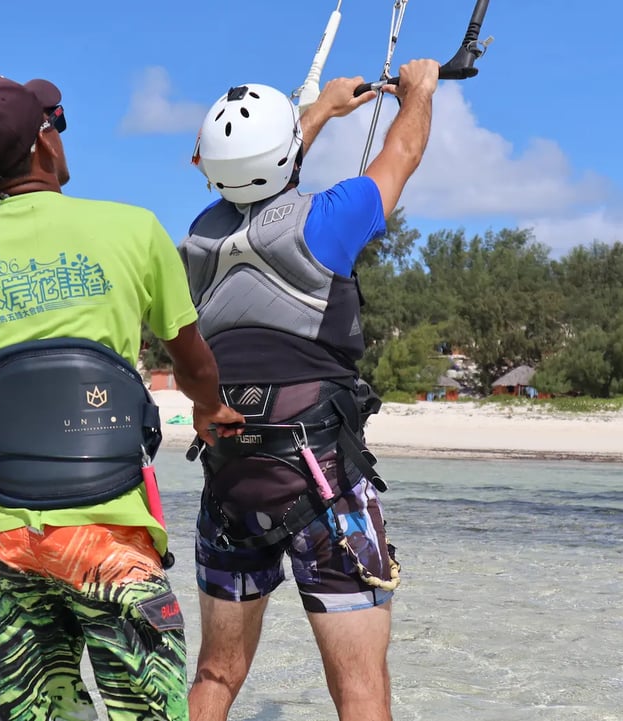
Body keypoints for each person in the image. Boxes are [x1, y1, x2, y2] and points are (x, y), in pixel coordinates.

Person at [0, 73, 243, 721]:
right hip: (112, 539)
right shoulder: (135, 231)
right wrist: (209, 408)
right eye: (56, 124)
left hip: (11, 546)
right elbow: (195, 364)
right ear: (43, 141)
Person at [179, 60, 440, 721]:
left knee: (215, 674)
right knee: (359, 690)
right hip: (321, 479)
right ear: (288, 154)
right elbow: (403, 150)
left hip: (232, 483)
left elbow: (254, 182)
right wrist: (420, 91)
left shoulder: (198, 240)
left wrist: (320, 110)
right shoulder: (331, 216)